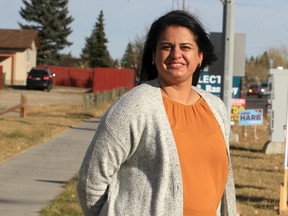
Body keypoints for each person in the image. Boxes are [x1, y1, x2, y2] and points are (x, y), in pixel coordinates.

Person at [77, 10, 237, 216]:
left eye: (185, 47)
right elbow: (91, 182)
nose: (176, 54)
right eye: (166, 47)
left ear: (200, 57)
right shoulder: (135, 106)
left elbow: (221, 183)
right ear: (153, 55)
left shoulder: (216, 108)